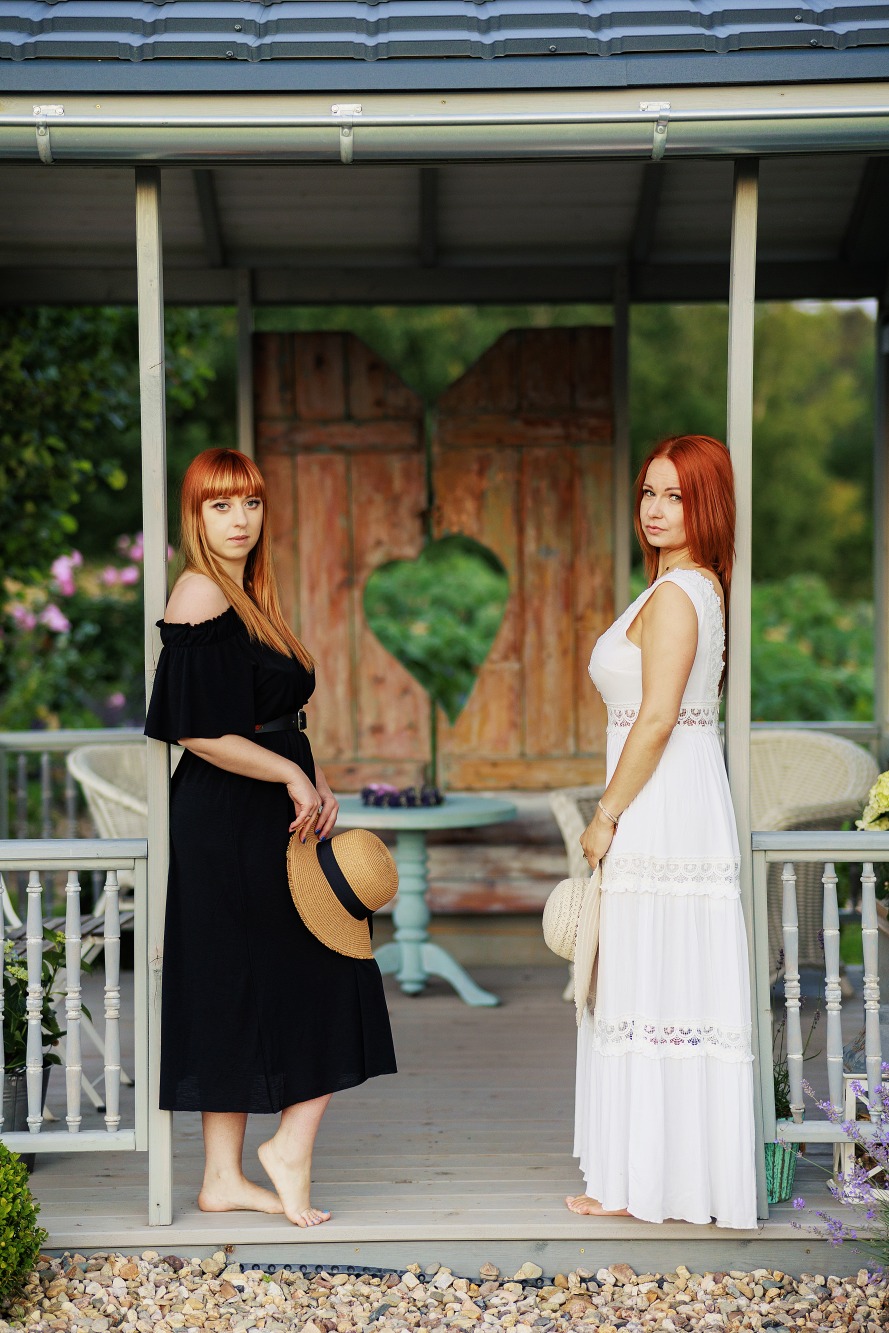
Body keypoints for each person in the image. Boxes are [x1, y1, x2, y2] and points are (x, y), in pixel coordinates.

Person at [145, 447, 396, 1227]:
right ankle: (286, 1149)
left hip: (270, 808)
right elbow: (197, 730)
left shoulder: (249, 595)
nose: (240, 519)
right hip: (228, 814)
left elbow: (267, 718)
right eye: (220, 505)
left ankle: (223, 1176)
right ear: (195, 515)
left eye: (250, 502)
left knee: (248, 977)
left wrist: (312, 775)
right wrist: (291, 773)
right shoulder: (198, 590)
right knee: (316, 967)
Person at [568, 434, 756, 1229]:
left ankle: (648, 1183)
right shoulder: (681, 586)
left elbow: (654, 719)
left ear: (705, 505)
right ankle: (646, 1178)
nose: (654, 508)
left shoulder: (680, 593)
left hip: (659, 801)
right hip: (665, 793)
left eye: (675, 496)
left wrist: (604, 814)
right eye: (648, 491)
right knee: (650, 979)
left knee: (652, 979)